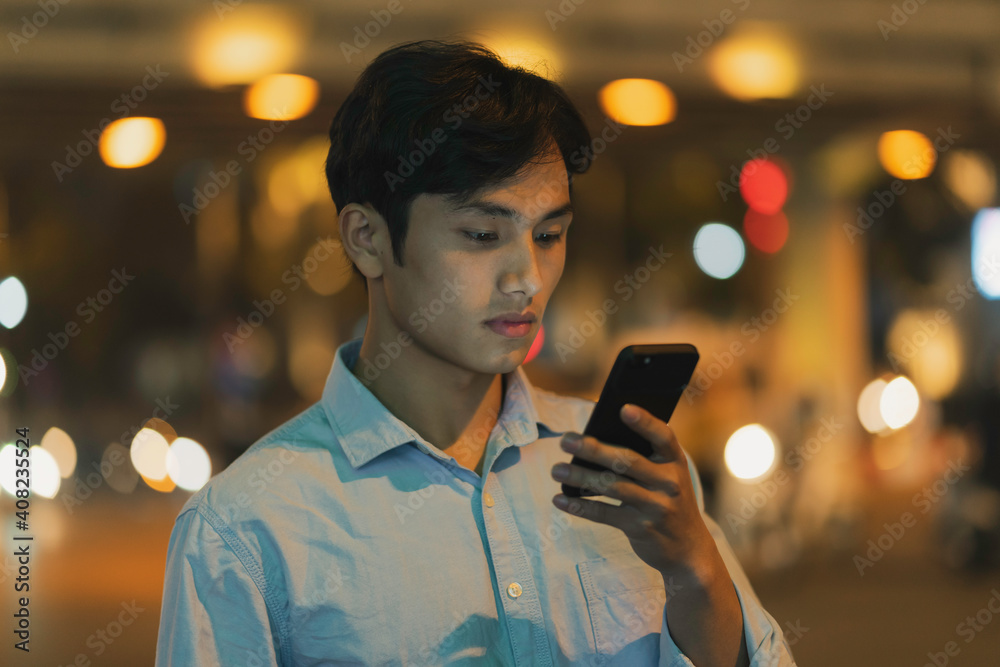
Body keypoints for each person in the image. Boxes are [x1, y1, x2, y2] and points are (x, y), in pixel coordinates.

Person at [155, 38, 796, 666]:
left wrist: (695, 570)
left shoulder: (617, 468)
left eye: (549, 234)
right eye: (483, 234)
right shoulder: (245, 529)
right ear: (367, 239)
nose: (528, 277)